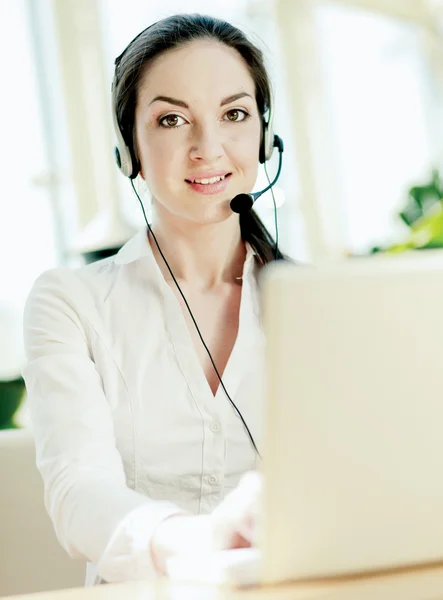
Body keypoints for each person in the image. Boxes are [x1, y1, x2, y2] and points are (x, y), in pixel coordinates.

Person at [22, 13, 283, 585]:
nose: (207, 147)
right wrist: (199, 541)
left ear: (264, 137)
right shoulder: (71, 302)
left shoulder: (320, 306)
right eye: (171, 119)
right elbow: (78, 492)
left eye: (234, 114)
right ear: (129, 150)